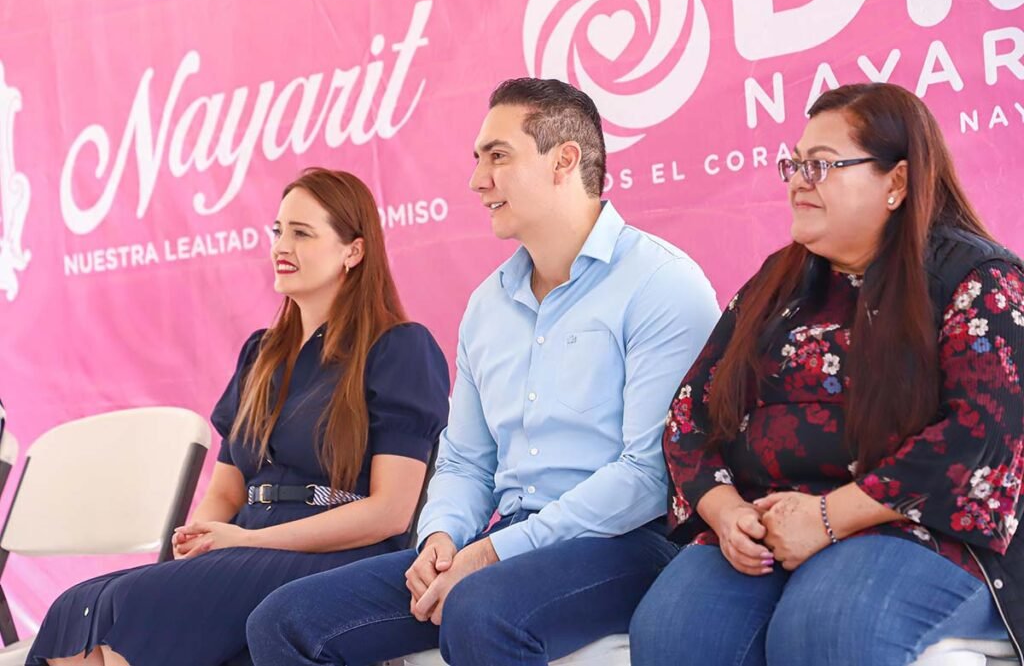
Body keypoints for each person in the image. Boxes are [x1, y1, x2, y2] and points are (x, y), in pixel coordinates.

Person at [246, 78, 720, 666]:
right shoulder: (486, 305)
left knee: (480, 608)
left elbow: (649, 476)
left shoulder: (661, 284)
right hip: (502, 540)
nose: (477, 180)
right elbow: (466, 459)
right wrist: (441, 537)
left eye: (498, 156)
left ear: (564, 161)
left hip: (629, 541)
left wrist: (493, 553)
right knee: (284, 621)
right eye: (477, 159)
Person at [630, 83, 1024, 665]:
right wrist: (726, 511)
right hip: (764, 524)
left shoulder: (977, 278)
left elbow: (977, 436)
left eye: (821, 165)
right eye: (793, 163)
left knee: (825, 630)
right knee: (671, 635)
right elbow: (692, 411)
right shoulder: (777, 281)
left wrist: (825, 517)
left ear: (897, 182)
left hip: (910, 529)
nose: (797, 180)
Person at [28, 168, 450, 666]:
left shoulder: (399, 347)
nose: (281, 246)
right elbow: (225, 493)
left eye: (302, 233)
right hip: (245, 544)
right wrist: (200, 536)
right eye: (278, 231)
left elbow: (390, 512)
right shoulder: (262, 353)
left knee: (131, 610)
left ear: (352, 252)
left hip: (335, 557)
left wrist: (248, 540)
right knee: (74, 611)